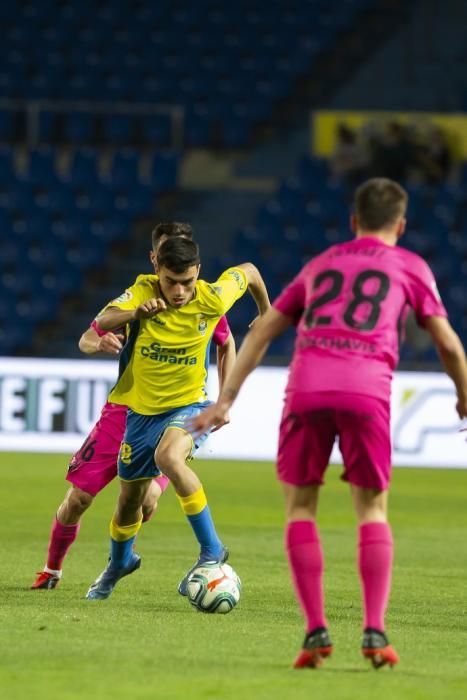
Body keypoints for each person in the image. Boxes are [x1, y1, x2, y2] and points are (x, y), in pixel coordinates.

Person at [189, 178, 467, 670]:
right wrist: (464, 396)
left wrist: (224, 398)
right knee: (372, 511)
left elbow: (264, 328)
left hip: (307, 387)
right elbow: (447, 343)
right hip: (366, 390)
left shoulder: (320, 264)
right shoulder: (411, 266)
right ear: (400, 225)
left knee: (301, 507)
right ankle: (375, 632)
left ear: (353, 221)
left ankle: (315, 632)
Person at [31, 223, 236, 590]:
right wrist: (101, 342)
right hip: (122, 413)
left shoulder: (201, 302)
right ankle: (52, 569)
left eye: (184, 277)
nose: (178, 287)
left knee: (146, 500)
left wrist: (224, 398)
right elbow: (88, 336)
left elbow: (226, 340)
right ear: (154, 260)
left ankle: (122, 559)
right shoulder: (136, 298)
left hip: (172, 413)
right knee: (78, 498)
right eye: (166, 265)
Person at [85, 237, 270, 600]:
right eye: (172, 281)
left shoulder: (213, 296)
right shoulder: (142, 291)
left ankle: (212, 550)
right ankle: (119, 563)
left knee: (167, 457)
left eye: (187, 281)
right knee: (129, 503)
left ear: (198, 272)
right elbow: (102, 321)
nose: (181, 290)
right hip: (139, 414)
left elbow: (249, 272)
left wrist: (266, 311)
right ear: (158, 271)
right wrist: (136, 313)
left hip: (189, 406)